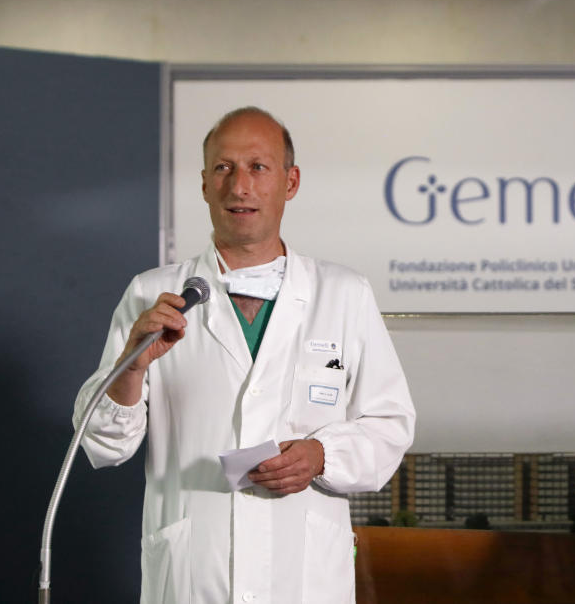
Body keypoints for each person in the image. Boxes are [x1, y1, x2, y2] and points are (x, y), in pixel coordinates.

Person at [74, 107, 416, 604]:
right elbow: (104, 445)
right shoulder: (154, 293)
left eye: (258, 167)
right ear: (204, 184)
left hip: (305, 577)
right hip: (194, 576)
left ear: (290, 181)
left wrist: (322, 455)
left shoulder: (344, 294)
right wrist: (133, 362)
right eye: (223, 168)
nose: (240, 187)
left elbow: (390, 423)